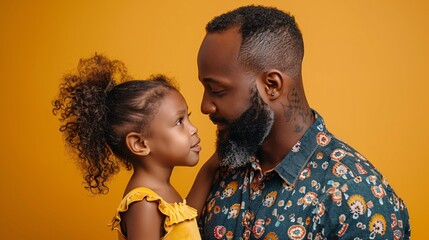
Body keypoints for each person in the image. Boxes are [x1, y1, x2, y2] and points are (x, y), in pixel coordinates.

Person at [188, 5, 411, 239]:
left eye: (217, 90)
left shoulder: (360, 199)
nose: (205, 106)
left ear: (271, 86)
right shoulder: (222, 170)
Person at [52, 54, 202, 240]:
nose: (193, 129)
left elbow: (187, 223)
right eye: (179, 121)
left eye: (188, 117)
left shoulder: (159, 191)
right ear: (140, 144)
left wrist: (210, 168)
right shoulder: (144, 204)